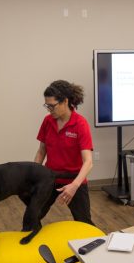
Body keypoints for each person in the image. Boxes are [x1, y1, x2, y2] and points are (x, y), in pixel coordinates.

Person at [34, 80, 94, 225]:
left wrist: (74, 186)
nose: (49, 109)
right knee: (32, 216)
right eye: (47, 106)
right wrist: (34, 175)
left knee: (84, 223)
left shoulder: (80, 124)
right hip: (50, 177)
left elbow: (88, 161)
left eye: (52, 106)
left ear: (65, 101)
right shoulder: (48, 121)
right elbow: (42, 151)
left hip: (74, 179)